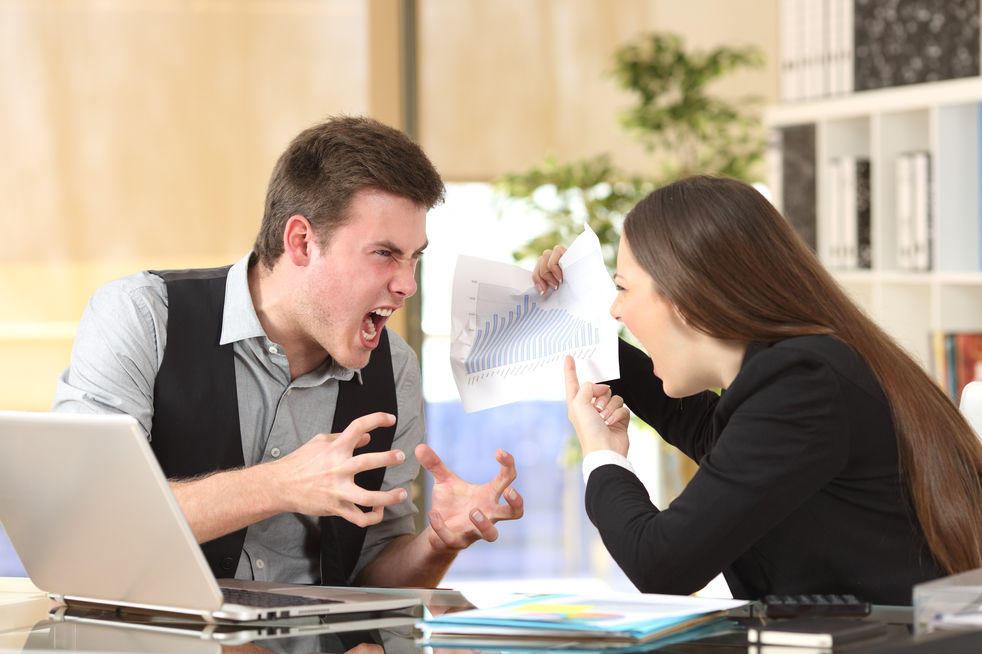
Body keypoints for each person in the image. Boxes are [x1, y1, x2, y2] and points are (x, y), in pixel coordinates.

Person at [52, 115, 523, 589]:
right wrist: (280, 485)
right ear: (301, 242)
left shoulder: (394, 367)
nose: (407, 285)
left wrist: (436, 545)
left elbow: (371, 579)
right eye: (384, 253)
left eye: (414, 256)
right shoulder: (142, 317)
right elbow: (85, 519)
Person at [532, 175, 982, 605]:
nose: (615, 311)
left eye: (623, 289)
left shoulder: (803, 385)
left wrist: (602, 454)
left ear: (687, 299)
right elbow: (705, 429)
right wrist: (572, 321)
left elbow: (660, 562)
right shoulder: (803, 369)